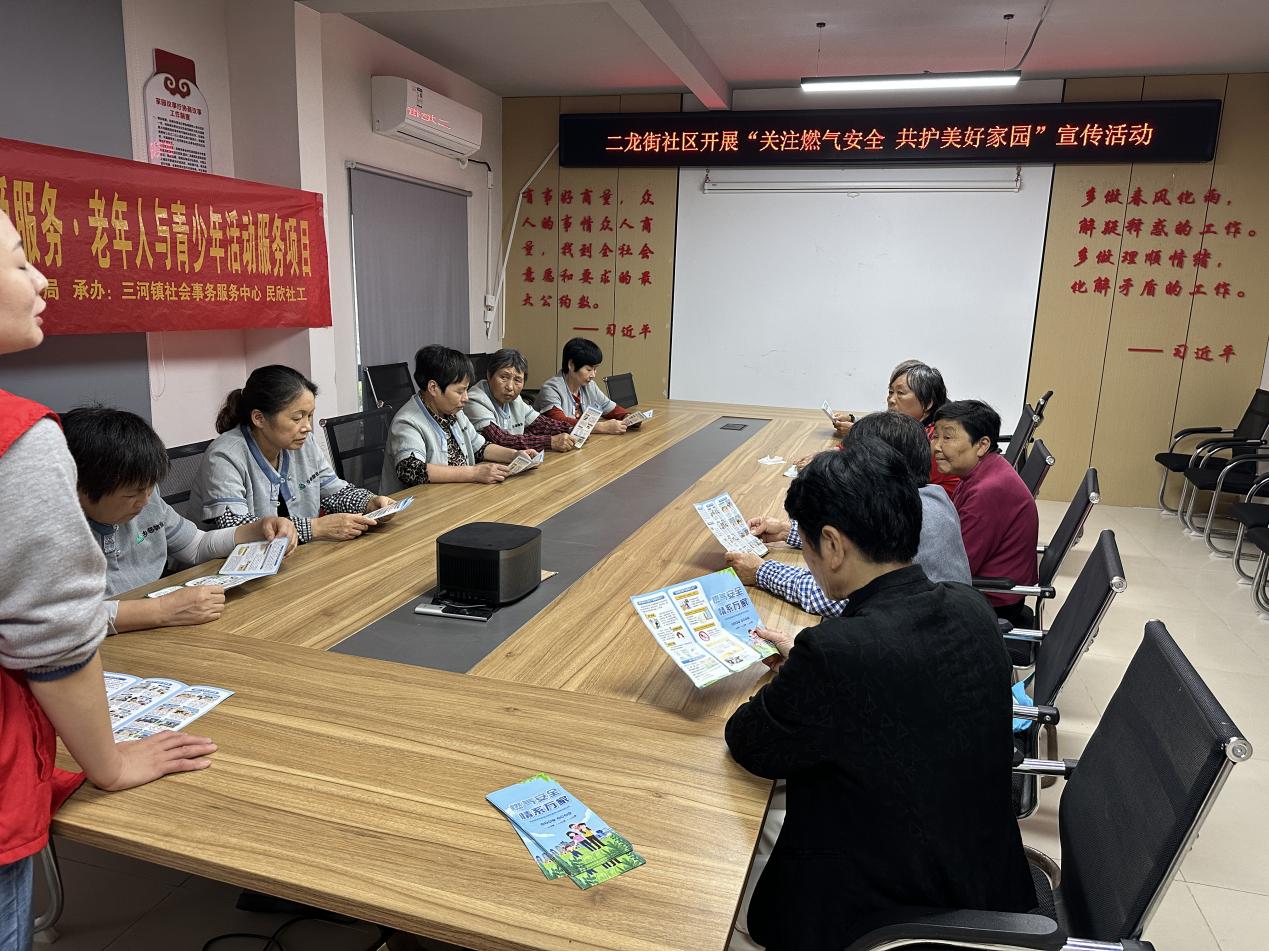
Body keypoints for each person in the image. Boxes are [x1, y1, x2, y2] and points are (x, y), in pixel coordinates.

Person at [0, 214, 216, 950]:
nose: (43, 280)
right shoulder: (21, 440)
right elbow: (55, 635)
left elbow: (192, 543)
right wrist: (110, 763)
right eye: (20, 262)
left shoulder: (141, 500)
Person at [725, 445, 1035, 951]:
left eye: (805, 541)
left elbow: (749, 742)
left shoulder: (836, 653)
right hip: (982, 872)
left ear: (832, 544)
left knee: (737, 882)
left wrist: (803, 672)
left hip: (890, 911)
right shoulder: (970, 607)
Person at [62, 406, 297, 633]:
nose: (144, 501)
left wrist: (255, 530)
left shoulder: (148, 499)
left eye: (150, 487)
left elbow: (196, 546)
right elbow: (63, 617)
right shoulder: (55, 531)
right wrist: (162, 610)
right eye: (131, 494)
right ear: (80, 488)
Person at [728, 411, 971, 615]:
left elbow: (838, 598)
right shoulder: (931, 495)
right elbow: (857, 541)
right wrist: (788, 531)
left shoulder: (910, 517)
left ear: (881, 464)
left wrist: (761, 572)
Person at [191, 365, 395, 544]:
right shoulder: (224, 456)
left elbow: (334, 493)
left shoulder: (304, 443)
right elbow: (235, 528)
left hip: (293, 555)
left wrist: (370, 503)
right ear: (259, 418)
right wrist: (315, 528)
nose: (307, 427)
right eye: (297, 418)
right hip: (226, 567)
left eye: (310, 416)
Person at [932, 399, 1040, 626]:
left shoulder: (988, 491)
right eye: (936, 436)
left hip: (991, 601)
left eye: (947, 437)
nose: (937, 447)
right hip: (981, 588)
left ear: (982, 445)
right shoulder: (981, 470)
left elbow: (958, 566)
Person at [381, 345, 537, 492]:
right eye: (460, 391)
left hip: (457, 494)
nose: (466, 398)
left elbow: (480, 448)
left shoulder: (454, 413)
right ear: (433, 388)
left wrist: (514, 455)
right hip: (421, 505)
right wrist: (474, 473)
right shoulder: (408, 421)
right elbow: (412, 470)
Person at [796, 359, 960, 497]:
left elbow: (873, 465)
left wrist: (830, 460)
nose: (891, 400)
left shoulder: (934, 440)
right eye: (890, 392)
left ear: (928, 403)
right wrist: (835, 451)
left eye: (900, 393)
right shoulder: (909, 426)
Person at [462, 348, 576, 453]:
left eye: (517, 380)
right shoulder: (474, 400)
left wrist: (572, 429)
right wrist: (550, 442)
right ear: (489, 375)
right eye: (504, 377)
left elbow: (540, 424)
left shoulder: (515, 400)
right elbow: (501, 440)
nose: (510, 387)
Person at [532, 337, 630, 433]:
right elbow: (559, 422)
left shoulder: (590, 386)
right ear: (571, 365)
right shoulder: (551, 389)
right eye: (589, 369)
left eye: (595, 369)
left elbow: (608, 407)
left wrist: (628, 417)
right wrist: (601, 427)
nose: (593, 375)